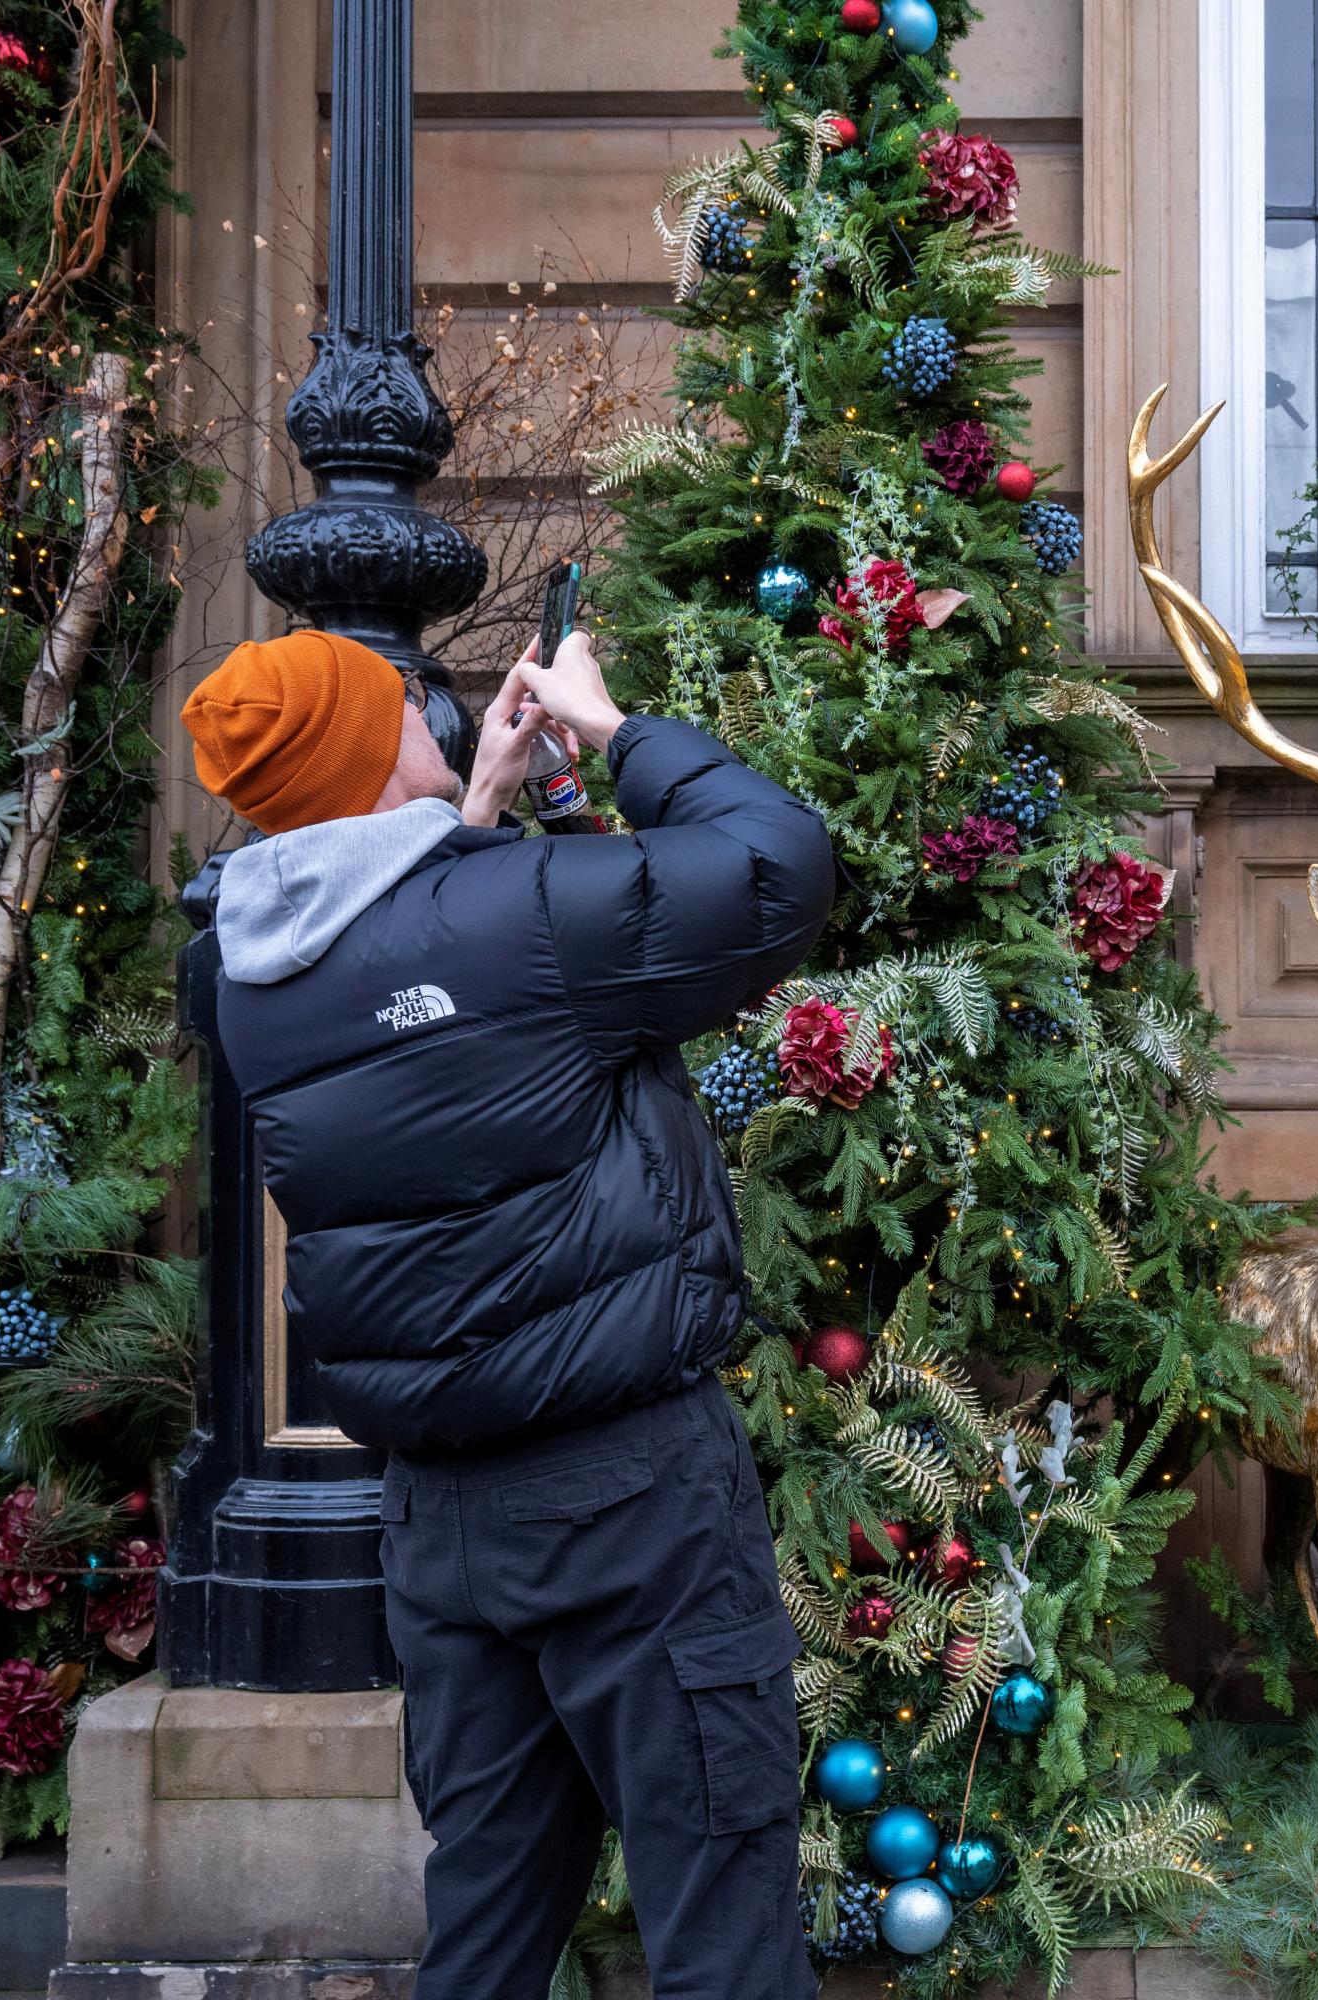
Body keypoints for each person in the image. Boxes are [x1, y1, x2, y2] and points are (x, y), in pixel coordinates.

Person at [178, 626, 833, 2000]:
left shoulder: (245, 982)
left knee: (484, 1927)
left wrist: (471, 809)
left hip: (439, 1533)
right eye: (405, 709)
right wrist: (608, 725)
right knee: (720, 1915)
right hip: (629, 1502)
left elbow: (414, 978)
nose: (436, 714)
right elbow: (777, 866)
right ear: (374, 750)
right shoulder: (524, 915)